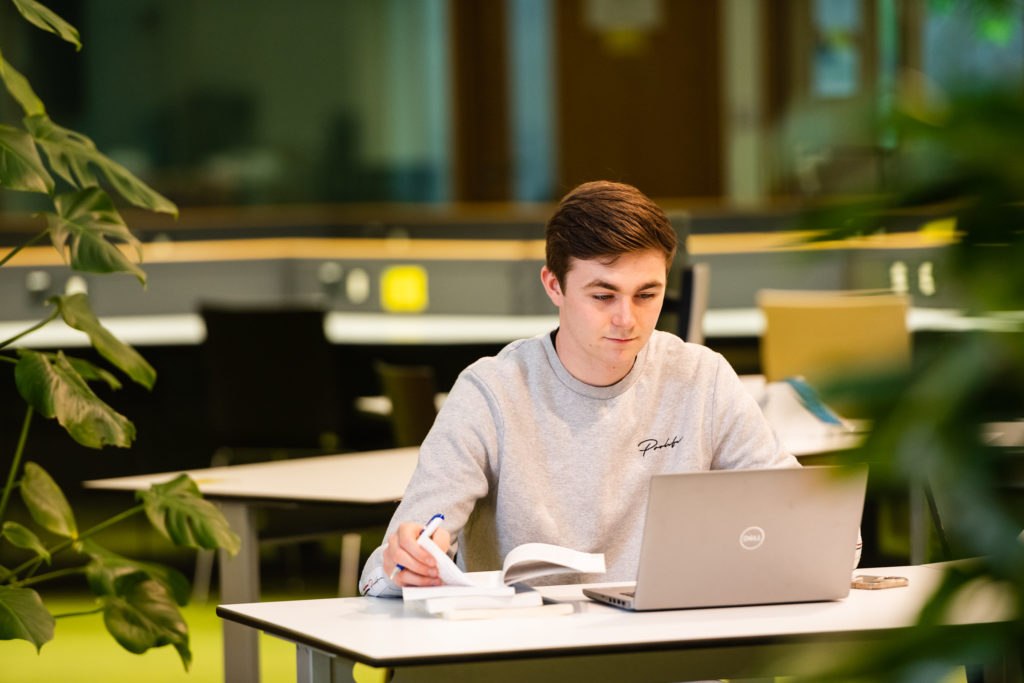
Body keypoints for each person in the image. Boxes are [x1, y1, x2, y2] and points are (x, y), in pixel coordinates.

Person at [359, 180, 799, 597]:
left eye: (646, 295)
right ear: (554, 285)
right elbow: (381, 573)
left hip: (667, 643)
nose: (627, 318)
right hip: (531, 651)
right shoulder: (490, 392)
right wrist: (407, 563)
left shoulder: (702, 377)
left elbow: (805, 517)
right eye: (603, 296)